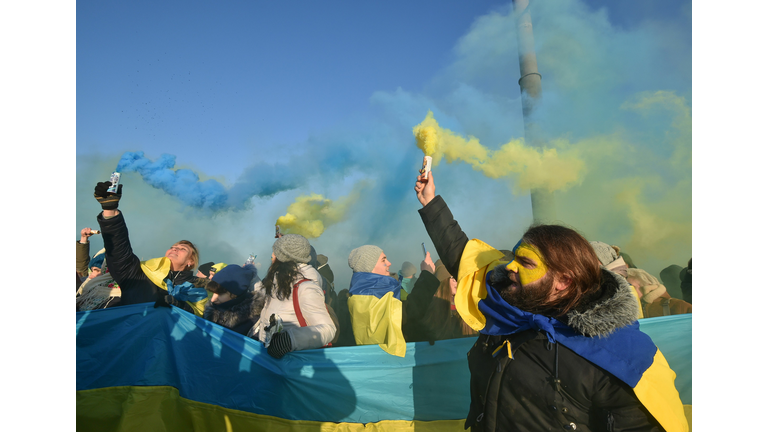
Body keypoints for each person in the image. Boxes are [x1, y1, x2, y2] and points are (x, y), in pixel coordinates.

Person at [414, 171, 688, 432]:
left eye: (525, 263)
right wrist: (430, 201)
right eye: (514, 258)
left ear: (564, 281)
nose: (510, 267)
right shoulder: (510, 302)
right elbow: (464, 256)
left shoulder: (621, 354)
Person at [91, 180, 211, 316]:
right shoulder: (139, 275)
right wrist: (109, 210)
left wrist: (181, 306)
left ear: (191, 262)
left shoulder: (199, 288)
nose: (174, 249)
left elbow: (203, 319)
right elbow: (119, 250)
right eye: (172, 247)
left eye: (182, 249)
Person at [247, 234, 337, 359]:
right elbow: (264, 296)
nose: (272, 256)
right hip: (269, 359)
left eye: (275, 253)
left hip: (290, 362)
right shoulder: (278, 282)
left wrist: (289, 340)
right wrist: (251, 276)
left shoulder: (305, 287)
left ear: (284, 258)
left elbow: (328, 329)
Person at [345, 245, 406, 357]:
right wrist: (428, 277)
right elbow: (410, 315)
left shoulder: (356, 296)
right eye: (383, 260)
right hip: (388, 359)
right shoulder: (382, 295)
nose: (389, 263)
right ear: (369, 266)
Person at [202, 264, 265, 336]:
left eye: (220, 294)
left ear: (235, 294)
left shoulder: (253, 321)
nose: (213, 300)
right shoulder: (211, 310)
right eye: (213, 293)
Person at [626, 268, 692, 318]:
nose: (624, 292)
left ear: (648, 286)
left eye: (630, 287)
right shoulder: (625, 314)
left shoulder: (678, 306)